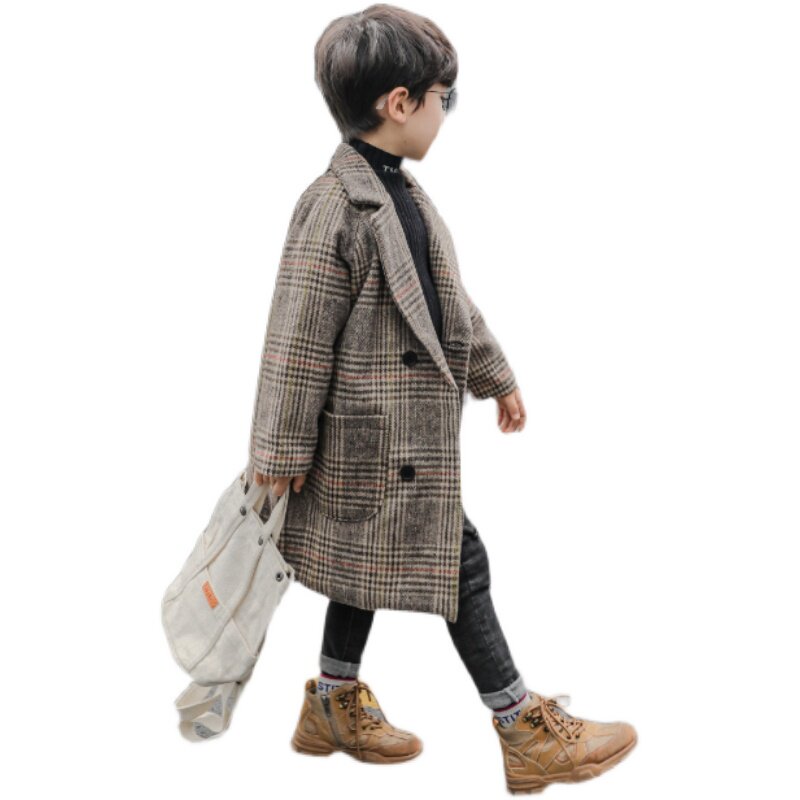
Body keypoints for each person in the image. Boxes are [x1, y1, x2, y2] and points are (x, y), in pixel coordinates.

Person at [246, 4, 637, 793]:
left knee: (366, 568)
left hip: (405, 441)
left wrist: (496, 374)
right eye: (443, 98)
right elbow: (295, 337)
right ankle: (522, 727)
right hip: (369, 444)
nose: (444, 113)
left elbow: (449, 306)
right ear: (400, 103)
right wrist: (277, 452)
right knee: (460, 563)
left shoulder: (406, 196)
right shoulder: (334, 205)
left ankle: (330, 703)